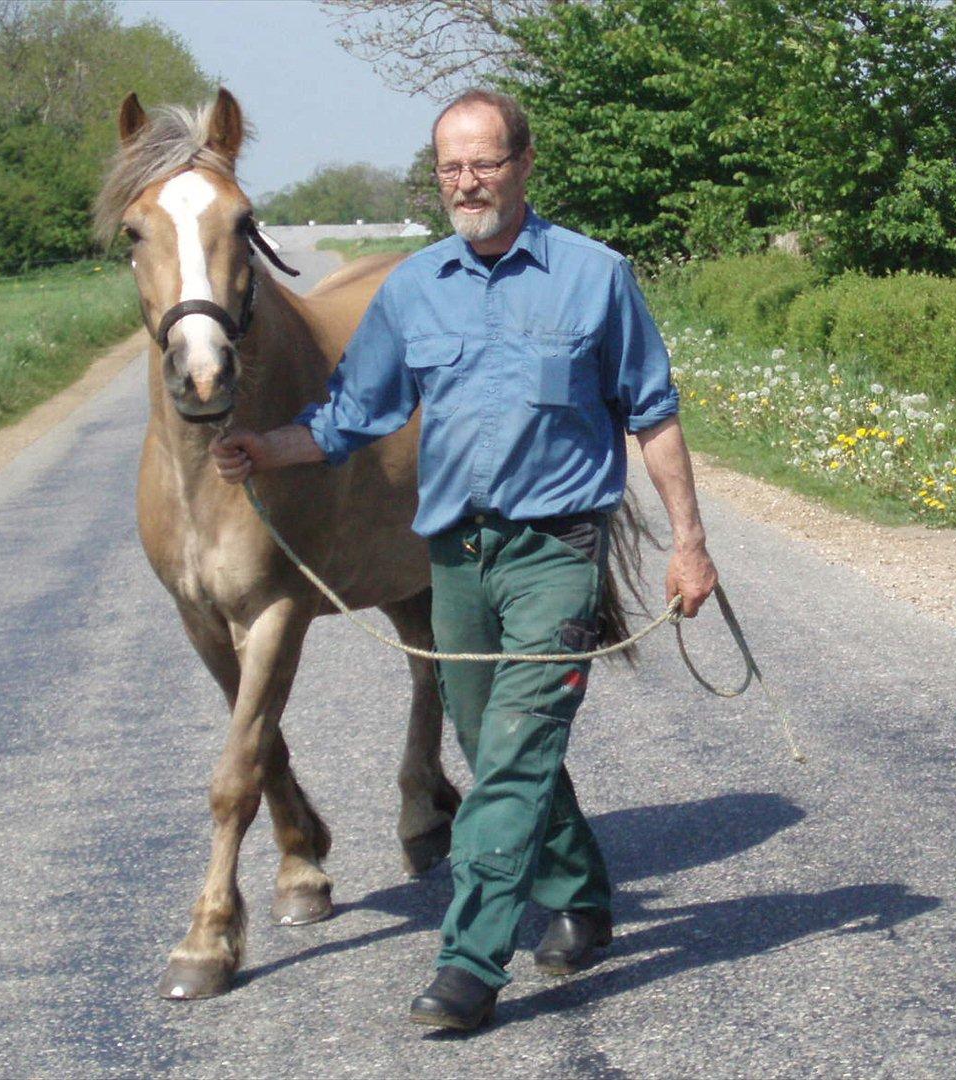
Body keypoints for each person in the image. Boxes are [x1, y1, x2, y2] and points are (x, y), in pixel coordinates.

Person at [211, 89, 718, 1030]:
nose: (466, 181)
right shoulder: (413, 288)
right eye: (450, 166)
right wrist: (264, 448)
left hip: (555, 553)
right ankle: (579, 892)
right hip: (451, 556)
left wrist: (689, 544)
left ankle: (470, 961)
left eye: (483, 162)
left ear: (524, 164)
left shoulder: (594, 276)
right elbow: (352, 415)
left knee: (516, 754)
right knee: (492, 745)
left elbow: (651, 410)